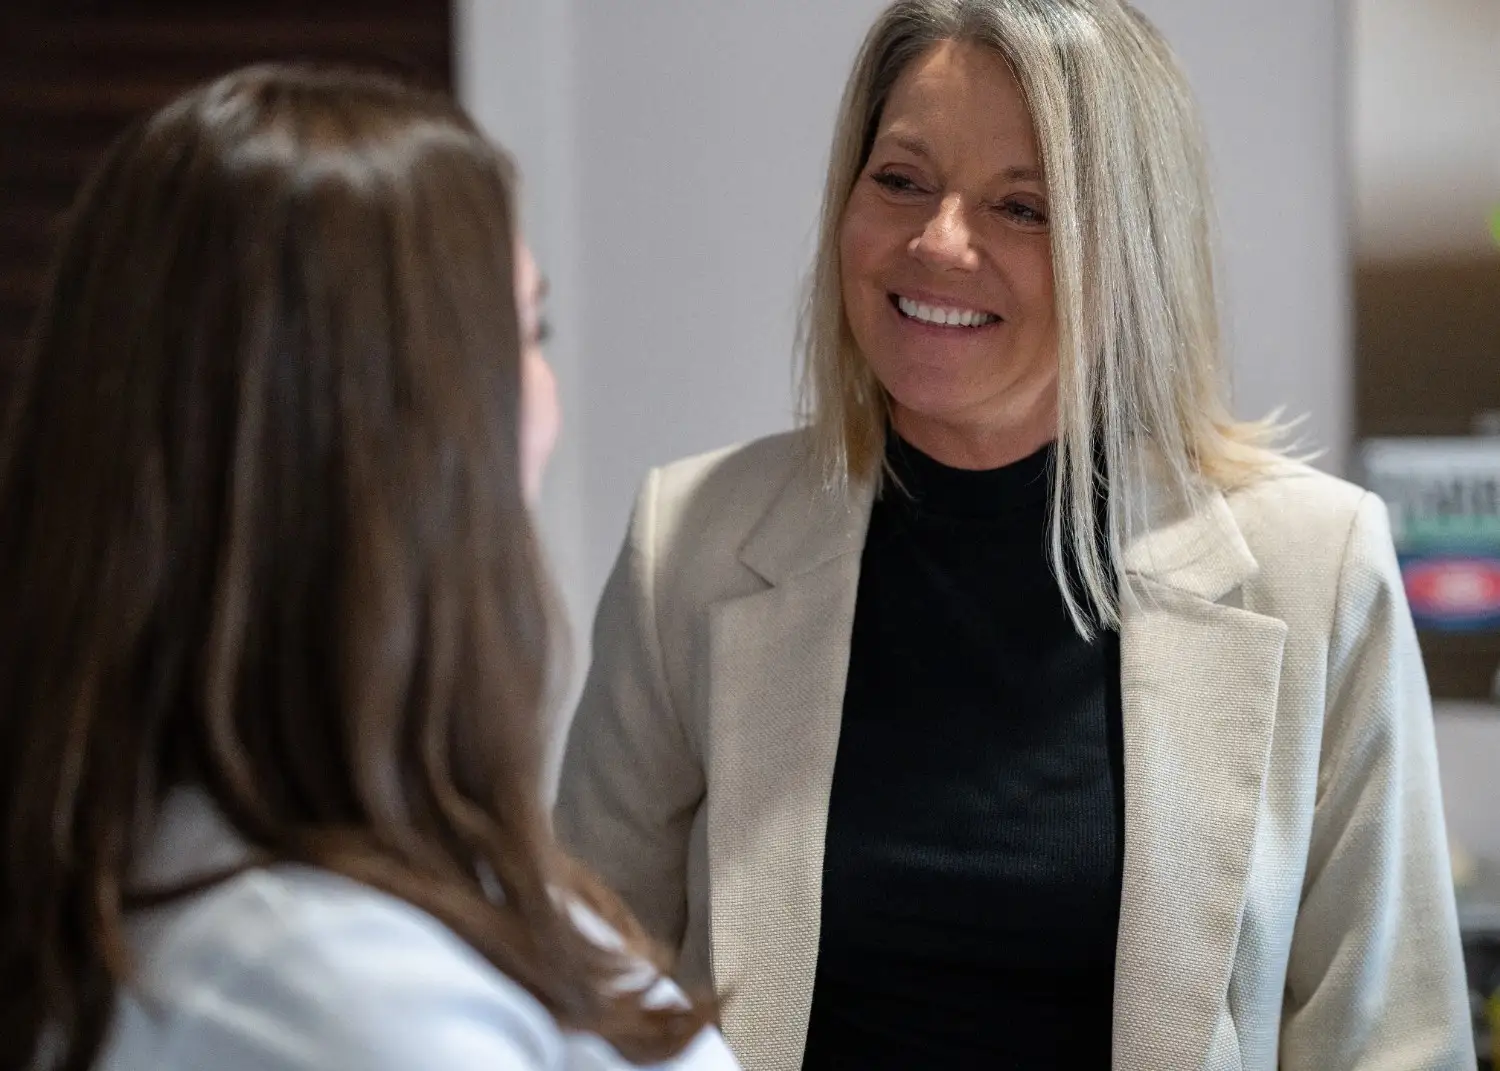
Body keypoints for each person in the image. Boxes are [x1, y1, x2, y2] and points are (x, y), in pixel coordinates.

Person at [554, 2, 1475, 1069]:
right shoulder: (693, 544)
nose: (940, 241)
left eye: (1023, 206)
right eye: (900, 180)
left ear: (1128, 252)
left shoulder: (1316, 567)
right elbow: (581, 996)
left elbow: (1391, 1044)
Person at [0, 64, 738, 1071]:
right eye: (525, 332)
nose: (547, 395)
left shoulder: (391, 872)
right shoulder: (331, 1000)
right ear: (405, 430)